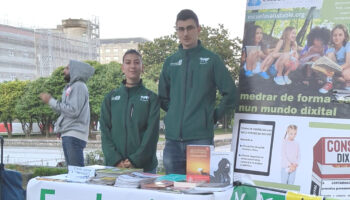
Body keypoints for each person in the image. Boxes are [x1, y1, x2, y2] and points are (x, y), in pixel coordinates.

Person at [158, 9, 237, 174]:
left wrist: (211, 116)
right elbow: (163, 98)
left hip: (200, 140)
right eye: (181, 29)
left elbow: (231, 93)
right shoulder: (170, 62)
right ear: (177, 31)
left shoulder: (211, 60)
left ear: (198, 29)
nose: (185, 33)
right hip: (172, 142)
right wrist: (174, 114)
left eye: (190, 28)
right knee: (173, 192)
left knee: (198, 191)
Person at [99, 49, 159, 173]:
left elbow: (151, 134)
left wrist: (134, 160)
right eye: (128, 62)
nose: (132, 66)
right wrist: (116, 160)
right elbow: (105, 132)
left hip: (144, 167)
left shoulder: (151, 98)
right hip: (115, 166)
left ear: (142, 67)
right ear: (123, 68)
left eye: (137, 62)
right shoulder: (110, 98)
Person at [40, 60, 95, 167]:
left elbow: (73, 110)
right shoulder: (72, 87)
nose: (63, 71)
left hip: (74, 135)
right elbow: (65, 110)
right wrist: (51, 102)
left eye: (67, 68)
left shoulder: (79, 86)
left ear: (75, 70)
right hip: (69, 134)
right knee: (73, 173)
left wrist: (51, 101)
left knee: (76, 174)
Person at [318, 24, 350, 94]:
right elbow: (326, 64)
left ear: (344, 36)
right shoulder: (330, 49)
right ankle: (330, 82)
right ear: (332, 37)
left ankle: (344, 82)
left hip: (346, 69)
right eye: (335, 35)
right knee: (330, 54)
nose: (337, 37)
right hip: (336, 71)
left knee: (346, 74)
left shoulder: (348, 45)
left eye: (340, 35)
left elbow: (348, 63)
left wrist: (334, 70)